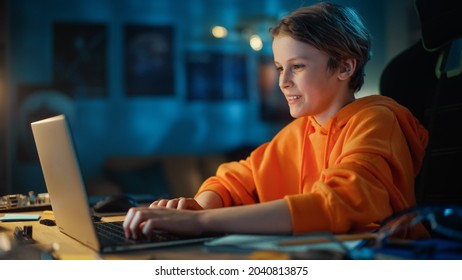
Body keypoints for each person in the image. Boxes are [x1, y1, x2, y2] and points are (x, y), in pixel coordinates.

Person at [123, 2, 428, 240]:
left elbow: (336, 203)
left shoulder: (376, 120)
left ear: (345, 67)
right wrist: (200, 205)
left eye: (297, 66)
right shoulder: (299, 131)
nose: (282, 81)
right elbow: (235, 179)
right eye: (280, 67)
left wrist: (200, 222)